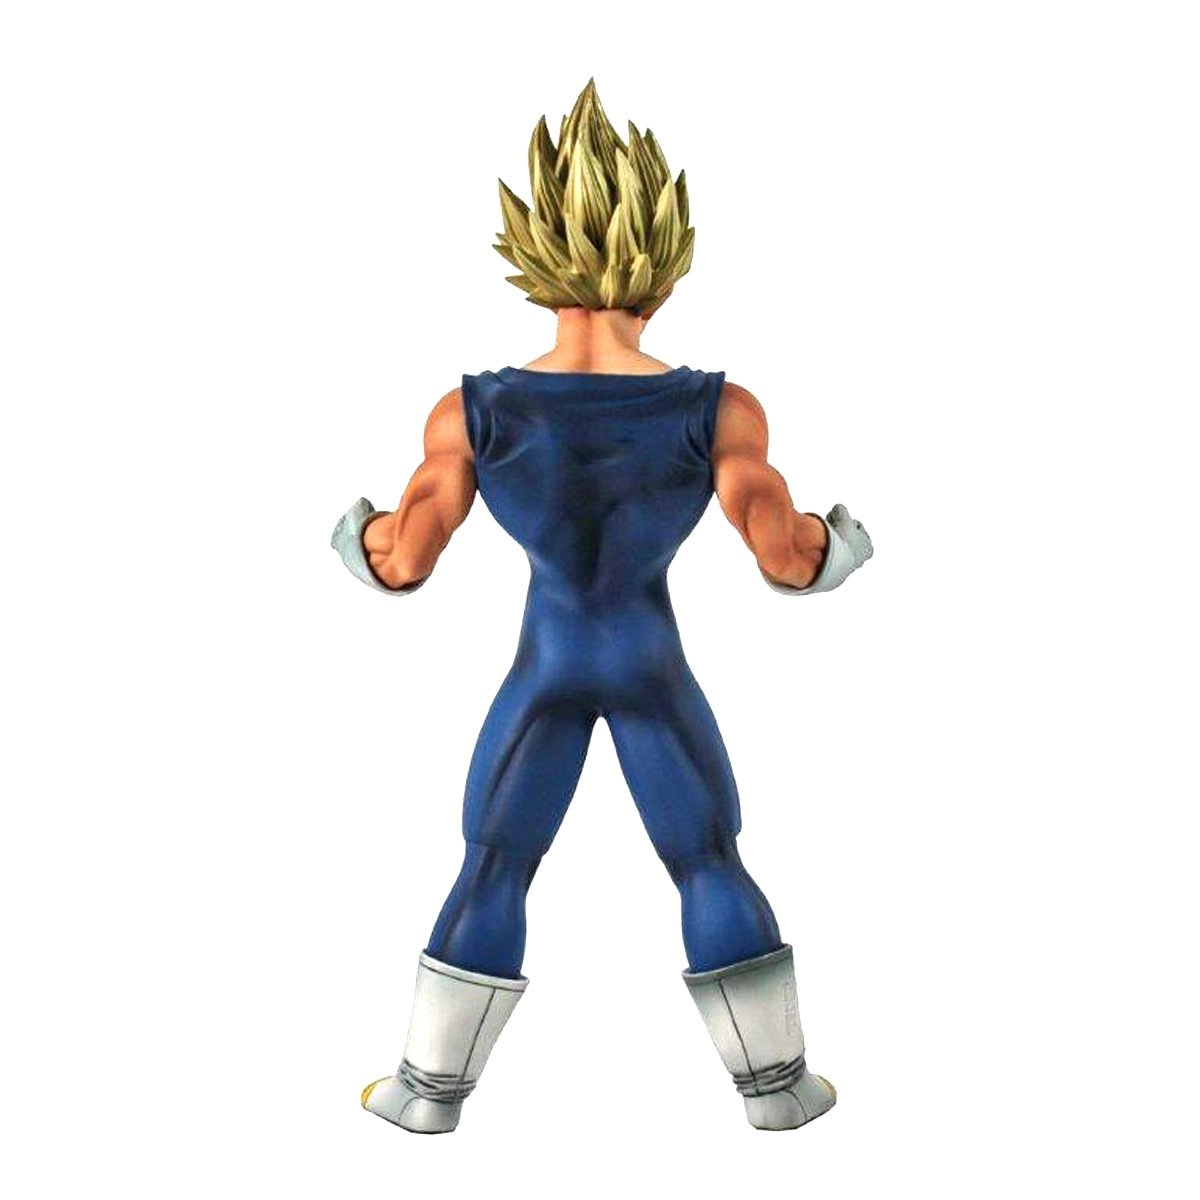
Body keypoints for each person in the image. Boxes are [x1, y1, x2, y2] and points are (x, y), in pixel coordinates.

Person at [331, 79, 873, 1134]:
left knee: (495, 861)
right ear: (665, 267)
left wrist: (354, 535)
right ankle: (778, 1093)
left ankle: (426, 1097)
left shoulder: (474, 412)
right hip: (649, 664)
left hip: (545, 668)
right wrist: (840, 544)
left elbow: (402, 560)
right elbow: (786, 552)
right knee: (707, 860)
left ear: (534, 255)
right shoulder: (715, 408)